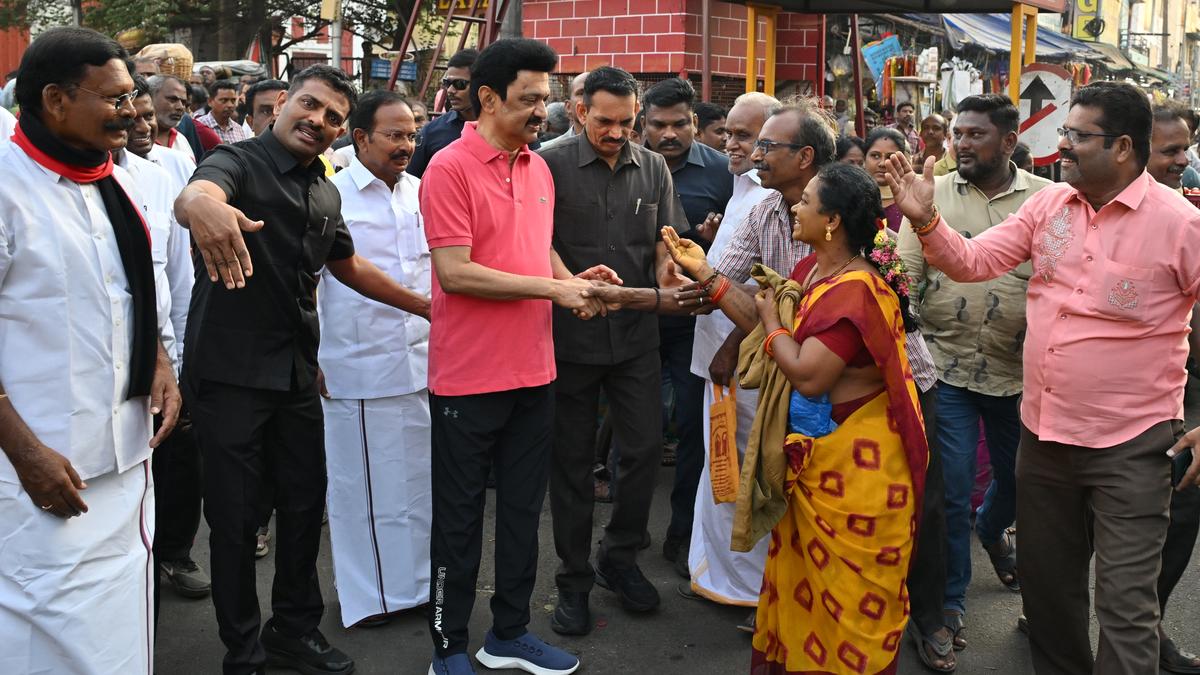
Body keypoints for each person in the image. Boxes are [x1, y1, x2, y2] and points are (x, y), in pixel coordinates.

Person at [885, 80, 1200, 675]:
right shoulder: (1049, 206)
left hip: (1133, 446)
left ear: (1123, 147)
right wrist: (926, 222)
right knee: (1049, 598)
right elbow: (974, 261)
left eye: (1078, 135)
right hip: (1044, 437)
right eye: (1065, 132)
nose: (1064, 145)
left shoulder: (1181, 224)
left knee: (1126, 608)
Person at [176, 65, 429, 675]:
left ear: (343, 132)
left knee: (301, 507)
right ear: (283, 102)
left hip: (296, 375)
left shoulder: (325, 188)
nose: (318, 121)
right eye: (310, 105)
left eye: (333, 117)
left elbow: (347, 266)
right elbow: (198, 195)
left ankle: (294, 630)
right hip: (230, 377)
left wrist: (428, 308)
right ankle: (243, 651)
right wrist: (203, 208)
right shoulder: (237, 162)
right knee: (236, 522)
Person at [663, 161, 929, 675]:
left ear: (832, 221)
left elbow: (807, 374)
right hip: (816, 458)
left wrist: (770, 323)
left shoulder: (856, 290)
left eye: (806, 201)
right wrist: (705, 272)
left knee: (849, 604)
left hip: (856, 469)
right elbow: (766, 315)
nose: (795, 207)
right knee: (805, 589)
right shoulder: (814, 271)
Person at [418, 38, 607, 675]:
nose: (541, 111)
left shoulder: (538, 167)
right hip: (468, 378)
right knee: (459, 520)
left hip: (535, 371)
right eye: (529, 99)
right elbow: (455, 272)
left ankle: (509, 633)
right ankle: (448, 646)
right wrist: (555, 290)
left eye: (545, 98)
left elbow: (537, 249)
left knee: (525, 513)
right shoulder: (449, 168)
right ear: (489, 98)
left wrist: (574, 283)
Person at [0, 26, 180, 674]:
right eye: (115, 98)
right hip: (41, 469)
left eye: (132, 96)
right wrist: (25, 453)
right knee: (43, 629)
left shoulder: (117, 182)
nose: (132, 112)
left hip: (126, 457)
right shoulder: (7, 187)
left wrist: (160, 362)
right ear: (55, 99)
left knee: (120, 624)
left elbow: (132, 294)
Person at [897, 93, 1053, 672]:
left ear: (1009, 141)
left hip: (1022, 374)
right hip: (948, 366)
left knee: (1019, 485)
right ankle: (948, 604)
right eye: (957, 133)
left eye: (974, 135)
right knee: (953, 490)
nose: (960, 143)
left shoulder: (1046, 201)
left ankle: (993, 529)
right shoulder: (930, 195)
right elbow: (906, 275)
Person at [537, 66, 690, 637]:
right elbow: (535, 242)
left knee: (644, 452)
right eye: (605, 121)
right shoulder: (548, 164)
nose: (617, 132)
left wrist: (668, 272)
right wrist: (569, 285)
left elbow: (665, 241)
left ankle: (619, 558)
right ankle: (573, 580)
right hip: (567, 339)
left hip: (634, 338)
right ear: (581, 112)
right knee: (572, 464)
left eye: (627, 122)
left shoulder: (652, 167)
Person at [317, 91, 434, 629]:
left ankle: (415, 588)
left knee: (416, 485)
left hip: (422, 362)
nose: (406, 144)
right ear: (360, 137)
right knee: (362, 489)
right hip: (358, 362)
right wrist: (313, 355)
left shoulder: (422, 192)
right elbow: (309, 282)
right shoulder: (330, 196)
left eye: (412, 134)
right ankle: (370, 599)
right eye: (394, 135)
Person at [679, 91, 776, 611]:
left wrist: (731, 347)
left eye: (745, 135)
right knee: (720, 463)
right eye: (727, 133)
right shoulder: (740, 186)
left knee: (742, 467)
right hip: (718, 355)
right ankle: (715, 574)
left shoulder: (771, 197)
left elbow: (771, 290)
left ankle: (746, 585)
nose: (730, 144)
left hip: (747, 361)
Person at [120, 76, 209, 605]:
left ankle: (174, 554)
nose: (138, 122)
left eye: (144, 113)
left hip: (167, 362)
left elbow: (180, 276)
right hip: (105, 372)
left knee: (177, 463)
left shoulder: (163, 175)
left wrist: (183, 359)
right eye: (127, 110)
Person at [641, 76, 734, 575]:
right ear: (644, 124)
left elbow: (737, 242)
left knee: (694, 432)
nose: (669, 134)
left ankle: (683, 535)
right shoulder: (628, 165)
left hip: (695, 319)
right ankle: (628, 533)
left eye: (679, 124)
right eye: (659, 125)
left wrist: (710, 242)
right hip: (635, 313)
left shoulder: (722, 171)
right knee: (639, 430)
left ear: (695, 123)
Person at [1145, 100, 1200, 675]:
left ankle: (1149, 625)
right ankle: (1053, 610)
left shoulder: (1191, 214)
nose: (1183, 160)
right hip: (1113, 404)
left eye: (1187, 148)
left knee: (1182, 508)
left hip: (1184, 396)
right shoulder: (1076, 213)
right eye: (1171, 150)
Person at [406, 49, 478, 178]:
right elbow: (411, 180)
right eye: (447, 83)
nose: (450, 90)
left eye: (459, 84)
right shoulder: (431, 132)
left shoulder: (503, 130)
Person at [864, 127, 910, 230]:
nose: (882, 163)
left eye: (890, 157)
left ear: (902, 160)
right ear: (864, 158)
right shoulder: (852, 197)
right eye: (875, 156)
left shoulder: (911, 198)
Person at [149, 74, 199, 163]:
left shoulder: (182, 140)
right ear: (150, 97)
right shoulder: (136, 141)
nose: (180, 107)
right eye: (172, 99)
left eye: (183, 102)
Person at [539, 71, 589, 151]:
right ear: (568, 107)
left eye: (596, 93)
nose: (590, 99)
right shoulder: (545, 153)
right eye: (581, 93)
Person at [195, 78, 248, 149]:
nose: (230, 105)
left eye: (233, 100)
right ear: (210, 101)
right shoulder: (199, 126)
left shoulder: (238, 129)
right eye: (224, 100)